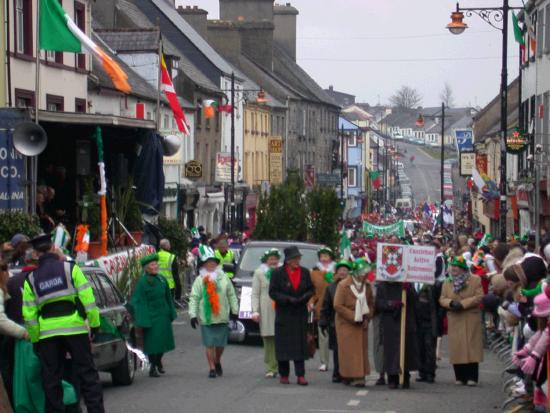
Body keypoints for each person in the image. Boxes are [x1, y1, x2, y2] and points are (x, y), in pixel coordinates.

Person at [22, 234, 104, 412]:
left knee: (52, 381)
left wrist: (36, 340)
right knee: (88, 375)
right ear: (53, 247)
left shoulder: (31, 279)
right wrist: (95, 324)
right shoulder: (71, 269)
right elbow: (88, 299)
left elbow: (29, 315)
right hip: (75, 330)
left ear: (35, 253)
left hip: (48, 335)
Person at [189, 245, 239, 378]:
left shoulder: (223, 278)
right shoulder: (200, 280)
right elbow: (194, 297)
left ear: (216, 264)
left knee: (221, 344)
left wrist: (235, 311)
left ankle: (217, 361)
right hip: (207, 317)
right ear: (204, 265)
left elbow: (231, 295)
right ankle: (211, 367)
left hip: (222, 315)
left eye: (213, 262)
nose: (210, 264)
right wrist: (193, 315)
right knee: (209, 343)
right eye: (208, 263)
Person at [269, 246, 314, 386]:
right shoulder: (277, 273)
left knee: (299, 345)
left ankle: (300, 375)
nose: (297, 261)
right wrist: (287, 299)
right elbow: (273, 292)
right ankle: (284, 374)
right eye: (294, 258)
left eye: (298, 258)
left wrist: (304, 297)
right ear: (287, 260)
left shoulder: (305, 272)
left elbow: (311, 289)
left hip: (300, 312)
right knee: (284, 345)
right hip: (284, 313)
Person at [439, 255, 484, 386]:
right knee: (457, 348)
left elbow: (479, 296)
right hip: (455, 317)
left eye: (456, 267)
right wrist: (451, 303)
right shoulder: (447, 282)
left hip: (470, 316)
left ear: (463, 269)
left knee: (471, 348)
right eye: (452, 266)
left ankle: (472, 377)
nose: (454, 269)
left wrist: (463, 304)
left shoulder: (475, 279)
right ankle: (459, 377)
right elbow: (442, 298)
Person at [130, 253, 177, 378]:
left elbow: (168, 297)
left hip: (163, 315)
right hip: (151, 316)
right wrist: (143, 317)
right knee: (152, 343)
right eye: (152, 264)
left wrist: (171, 312)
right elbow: (137, 301)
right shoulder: (142, 282)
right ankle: (153, 366)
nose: (155, 266)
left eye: (156, 264)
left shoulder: (162, 279)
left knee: (163, 342)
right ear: (146, 267)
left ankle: (158, 361)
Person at [333, 259, 374, 387]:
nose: (364, 275)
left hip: (362, 322)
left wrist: (367, 318)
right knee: (348, 350)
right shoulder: (343, 285)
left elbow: (371, 304)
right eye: (362, 272)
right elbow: (338, 305)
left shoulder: (367, 286)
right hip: (346, 321)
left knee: (360, 350)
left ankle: (359, 376)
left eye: (366, 272)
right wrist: (354, 316)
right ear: (355, 273)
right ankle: (347, 374)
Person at [375, 281, 419, 389]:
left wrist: (408, 289)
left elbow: (415, 301)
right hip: (389, 322)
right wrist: (391, 304)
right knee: (391, 350)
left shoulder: (406, 284)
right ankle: (392, 378)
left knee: (406, 350)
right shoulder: (382, 285)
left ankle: (405, 377)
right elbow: (379, 304)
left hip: (406, 321)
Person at [319, 260, 351, 383]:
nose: (343, 272)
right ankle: (337, 372)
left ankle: (347, 372)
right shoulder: (331, 287)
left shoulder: (352, 285)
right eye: (340, 270)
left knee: (347, 349)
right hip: (334, 323)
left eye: (345, 270)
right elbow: (325, 306)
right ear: (336, 272)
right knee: (337, 349)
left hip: (349, 322)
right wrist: (323, 322)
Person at [251, 248, 280, 378]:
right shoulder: (259, 273)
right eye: (271, 259)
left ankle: (280, 365)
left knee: (280, 338)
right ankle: (270, 367)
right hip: (266, 309)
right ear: (266, 261)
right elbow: (255, 294)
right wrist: (255, 311)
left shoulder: (282, 271)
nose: (273, 261)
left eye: (275, 259)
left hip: (281, 308)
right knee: (268, 337)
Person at [310, 246, 336, 372]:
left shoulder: (338, 270)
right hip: (321, 306)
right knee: (322, 335)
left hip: (336, 305)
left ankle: (340, 362)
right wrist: (311, 302)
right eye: (322, 256)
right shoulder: (314, 271)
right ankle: (324, 362)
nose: (324, 258)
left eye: (326, 256)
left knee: (337, 335)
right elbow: (311, 290)